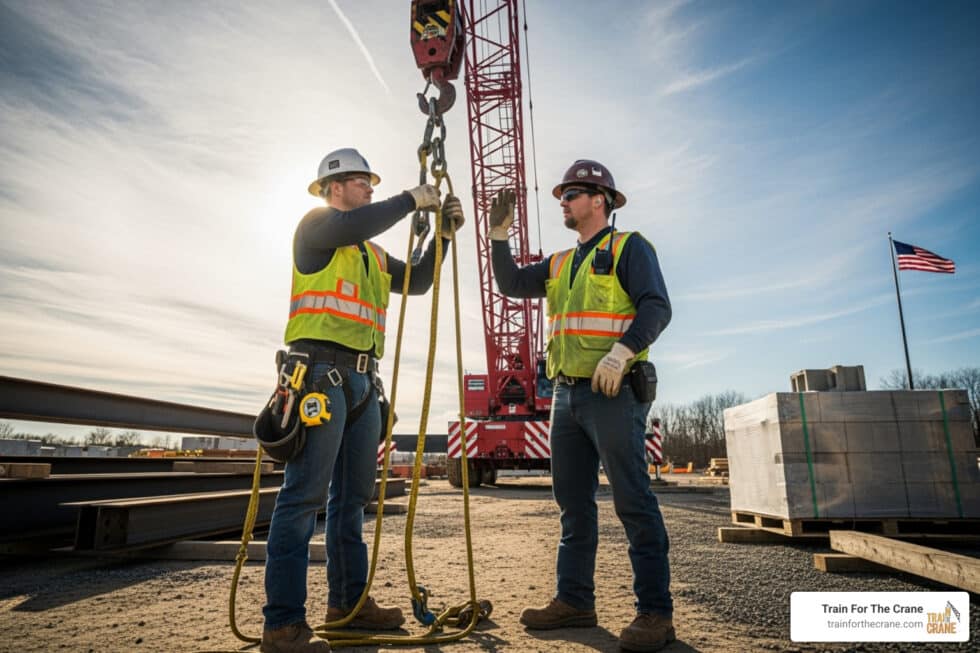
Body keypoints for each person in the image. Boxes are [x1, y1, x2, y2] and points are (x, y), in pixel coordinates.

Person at [260, 147, 464, 653]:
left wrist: (441, 237)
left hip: (362, 385)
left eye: (372, 183)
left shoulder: (371, 255)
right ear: (333, 187)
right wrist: (411, 199)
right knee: (303, 498)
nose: (370, 188)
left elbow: (416, 282)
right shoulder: (316, 229)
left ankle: (347, 605)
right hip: (320, 378)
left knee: (351, 501)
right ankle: (283, 625)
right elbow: (363, 220)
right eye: (360, 182)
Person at [488, 159, 674, 652]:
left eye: (572, 194)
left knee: (633, 500)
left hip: (613, 392)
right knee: (572, 504)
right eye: (563, 195)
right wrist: (498, 238)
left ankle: (655, 613)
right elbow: (510, 285)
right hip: (566, 396)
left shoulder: (629, 247)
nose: (564, 202)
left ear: (601, 200)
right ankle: (574, 600)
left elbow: (657, 305)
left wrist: (623, 350)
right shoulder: (559, 264)